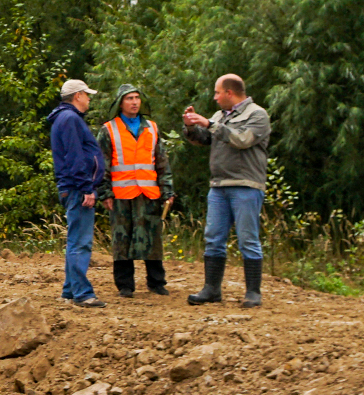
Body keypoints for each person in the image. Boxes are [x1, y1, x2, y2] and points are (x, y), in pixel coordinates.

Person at [183, 73, 273, 308]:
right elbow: (205, 140)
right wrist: (191, 127)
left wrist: (210, 124)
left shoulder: (257, 115)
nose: (214, 98)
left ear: (229, 93)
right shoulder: (219, 116)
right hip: (219, 186)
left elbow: (242, 139)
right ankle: (211, 289)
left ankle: (253, 292)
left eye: (217, 92)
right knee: (213, 238)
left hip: (246, 185)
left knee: (247, 239)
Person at [97, 84, 173, 297]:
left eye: (137, 98)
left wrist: (168, 190)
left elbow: (162, 163)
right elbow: (101, 164)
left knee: (153, 238)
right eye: (129, 98)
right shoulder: (108, 129)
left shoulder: (153, 128)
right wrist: (105, 192)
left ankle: (157, 282)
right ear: (120, 103)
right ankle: (125, 285)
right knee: (122, 240)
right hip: (121, 195)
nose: (134, 102)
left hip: (149, 194)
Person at [46, 78, 107, 307]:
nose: (89, 98)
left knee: (75, 240)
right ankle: (82, 293)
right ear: (77, 96)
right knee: (80, 242)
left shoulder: (64, 118)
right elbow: (75, 157)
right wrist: (86, 188)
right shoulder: (70, 118)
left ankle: (70, 290)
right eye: (87, 94)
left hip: (71, 187)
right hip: (76, 188)